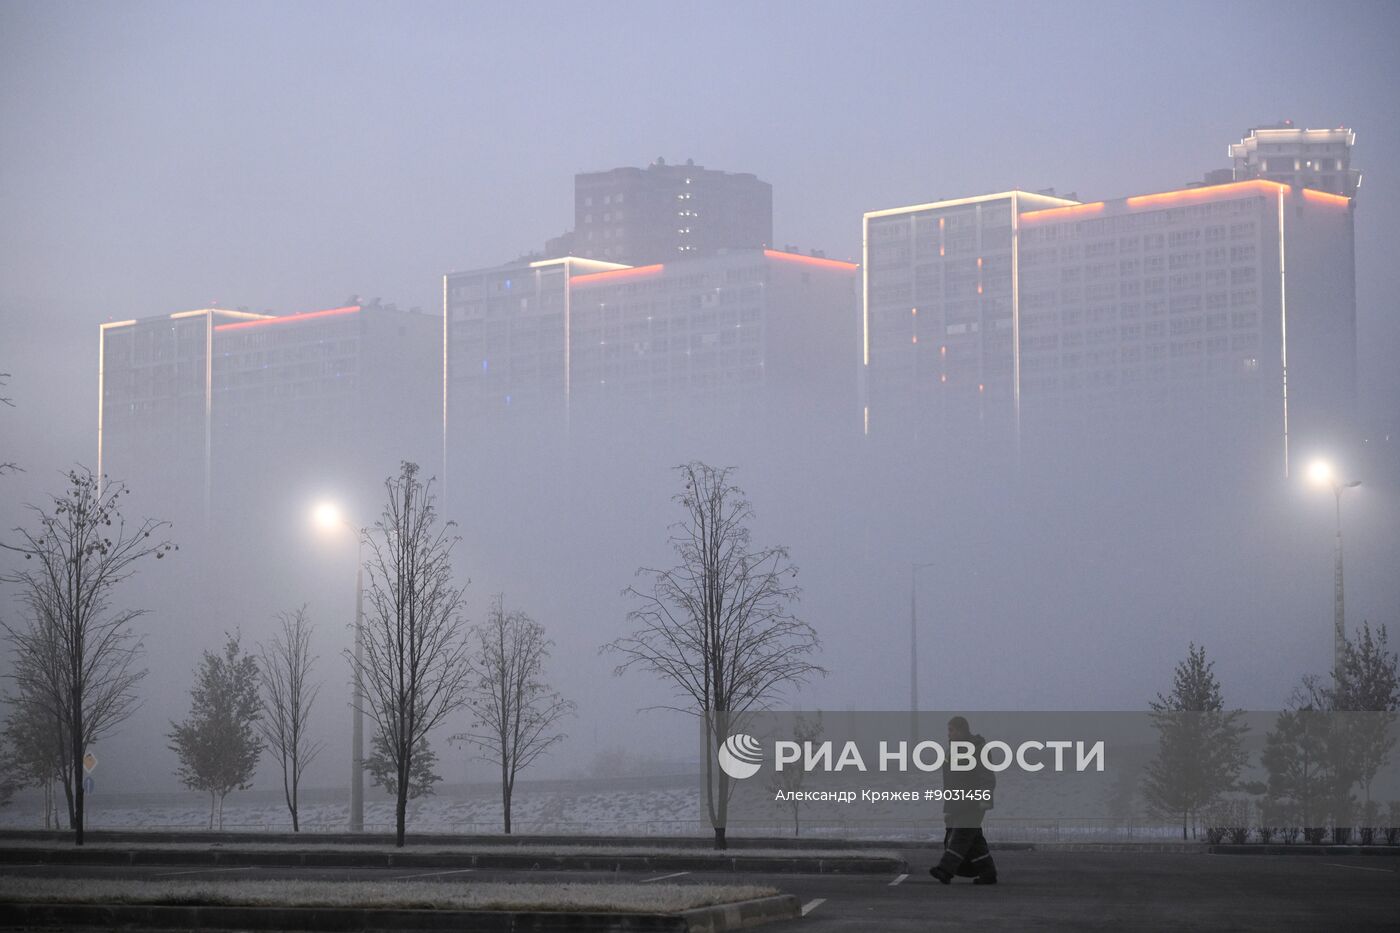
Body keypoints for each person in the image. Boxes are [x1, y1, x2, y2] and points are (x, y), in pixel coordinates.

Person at [929, 715, 997, 885]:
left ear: (961, 730)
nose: (948, 734)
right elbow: (950, 781)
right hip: (958, 803)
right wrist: (949, 807)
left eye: (951, 730)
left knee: (960, 837)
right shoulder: (952, 751)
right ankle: (988, 873)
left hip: (973, 803)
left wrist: (984, 800)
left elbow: (987, 777)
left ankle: (945, 870)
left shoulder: (978, 748)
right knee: (973, 841)